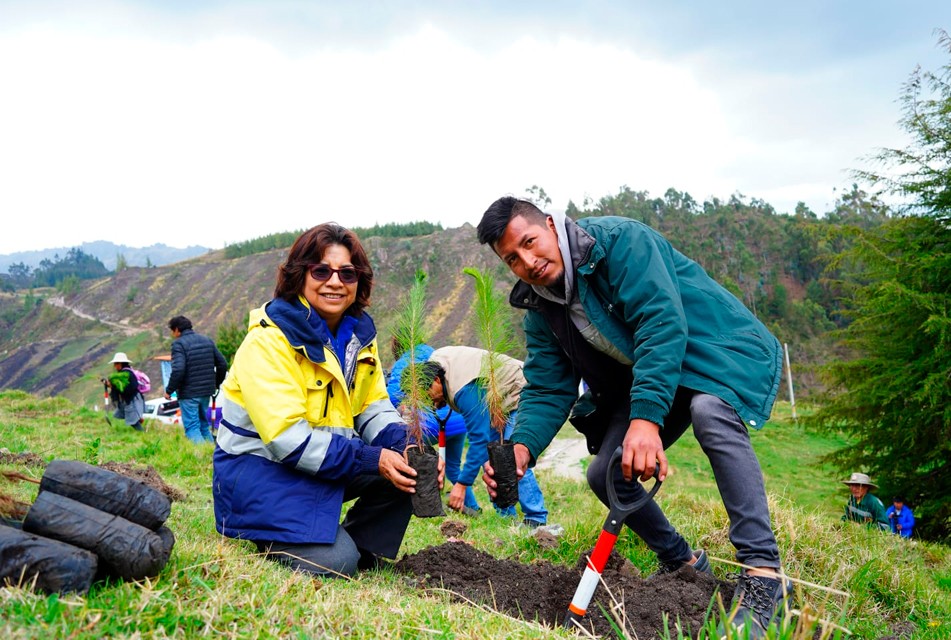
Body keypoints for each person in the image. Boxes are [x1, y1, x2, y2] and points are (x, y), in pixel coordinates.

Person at [476, 197, 791, 638]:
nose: (528, 261)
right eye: (512, 258)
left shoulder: (620, 242)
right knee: (605, 472)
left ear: (550, 224)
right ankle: (681, 561)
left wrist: (645, 419)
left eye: (530, 243)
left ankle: (763, 578)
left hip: (712, 351)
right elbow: (549, 386)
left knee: (709, 411)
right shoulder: (540, 306)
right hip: (652, 372)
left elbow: (660, 325)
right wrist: (522, 445)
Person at [212, 222, 441, 578]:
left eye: (347, 274)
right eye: (321, 270)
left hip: (317, 467)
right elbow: (288, 440)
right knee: (335, 562)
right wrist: (372, 457)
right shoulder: (269, 342)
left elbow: (372, 405)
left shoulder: (357, 337)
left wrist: (403, 444)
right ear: (299, 276)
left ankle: (359, 547)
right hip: (262, 473)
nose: (335, 282)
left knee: (405, 467)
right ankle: (290, 539)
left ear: (358, 282)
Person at [411, 346, 551, 528]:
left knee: (512, 459)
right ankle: (507, 519)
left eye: (429, 396)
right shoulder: (436, 366)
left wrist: (461, 485)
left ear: (437, 380)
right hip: (495, 402)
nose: (432, 404)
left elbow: (479, 441)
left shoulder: (463, 390)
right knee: (493, 460)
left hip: (519, 393)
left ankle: (536, 519)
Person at [385, 341, 476, 515]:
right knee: (453, 466)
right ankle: (471, 506)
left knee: (409, 455)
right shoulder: (436, 355)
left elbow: (391, 398)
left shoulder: (406, 362)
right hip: (457, 421)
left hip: (430, 423)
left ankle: (421, 502)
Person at [165, 315, 229, 443]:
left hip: (189, 393)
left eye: (172, 331)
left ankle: (201, 456)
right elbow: (222, 364)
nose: (173, 334)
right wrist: (216, 384)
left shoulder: (178, 344)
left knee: (192, 427)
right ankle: (211, 454)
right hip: (206, 391)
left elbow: (178, 369)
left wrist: (169, 390)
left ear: (177, 329)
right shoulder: (207, 340)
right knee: (204, 425)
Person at [104, 352, 145, 432]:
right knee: (124, 415)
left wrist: (113, 386)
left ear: (122, 363)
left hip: (133, 400)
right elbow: (120, 388)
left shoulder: (128, 374)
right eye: (115, 363)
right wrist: (111, 385)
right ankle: (138, 420)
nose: (115, 365)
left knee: (132, 420)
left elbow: (127, 389)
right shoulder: (121, 374)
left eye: (117, 363)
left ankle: (143, 434)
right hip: (127, 400)